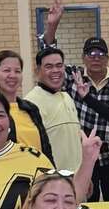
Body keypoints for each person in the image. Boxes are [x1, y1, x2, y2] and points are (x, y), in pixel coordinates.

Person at [39, 2, 109, 202]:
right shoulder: (73, 77)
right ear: (83, 57)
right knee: (85, 203)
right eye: (91, 54)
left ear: (107, 58)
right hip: (82, 156)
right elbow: (48, 54)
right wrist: (52, 25)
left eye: (100, 54)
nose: (95, 58)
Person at [25, 47, 86, 175]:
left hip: (77, 177)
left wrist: (83, 175)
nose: (55, 71)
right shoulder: (30, 103)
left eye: (59, 65)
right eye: (49, 66)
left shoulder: (67, 97)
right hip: (53, 181)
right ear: (37, 71)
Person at [0, 49, 54, 162]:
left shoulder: (31, 109)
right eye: (6, 70)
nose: (12, 75)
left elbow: (46, 149)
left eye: (17, 71)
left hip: (39, 170)